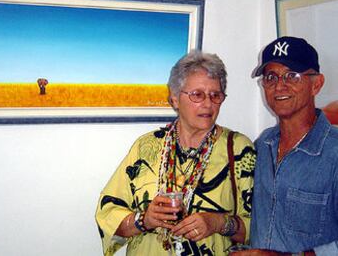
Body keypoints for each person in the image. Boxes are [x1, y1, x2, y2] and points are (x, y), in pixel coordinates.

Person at [95, 50, 256, 255]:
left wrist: (220, 223)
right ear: (174, 99)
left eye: (215, 95)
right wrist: (143, 220)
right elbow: (107, 212)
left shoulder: (239, 149)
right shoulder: (147, 147)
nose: (208, 104)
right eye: (197, 94)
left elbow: (261, 227)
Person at [238, 36, 338, 255]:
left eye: (292, 75)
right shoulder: (263, 145)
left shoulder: (334, 153)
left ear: (316, 84)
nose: (279, 86)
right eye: (270, 77)